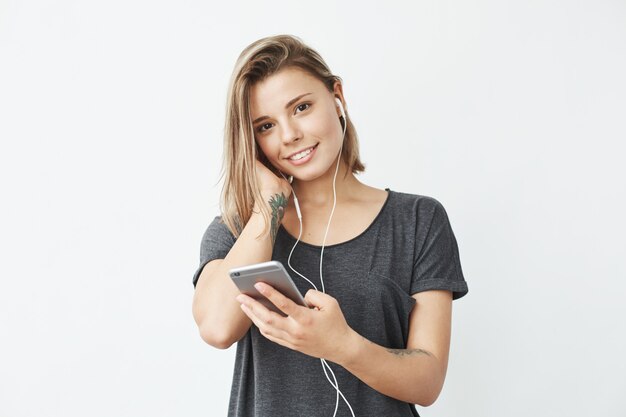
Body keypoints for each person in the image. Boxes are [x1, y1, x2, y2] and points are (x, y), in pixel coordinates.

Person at [191, 34, 469, 417]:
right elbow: (218, 328)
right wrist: (269, 204)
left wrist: (341, 345)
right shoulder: (238, 227)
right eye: (266, 126)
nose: (289, 135)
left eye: (301, 107)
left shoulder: (418, 220)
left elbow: (428, 381)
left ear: (337, 95)